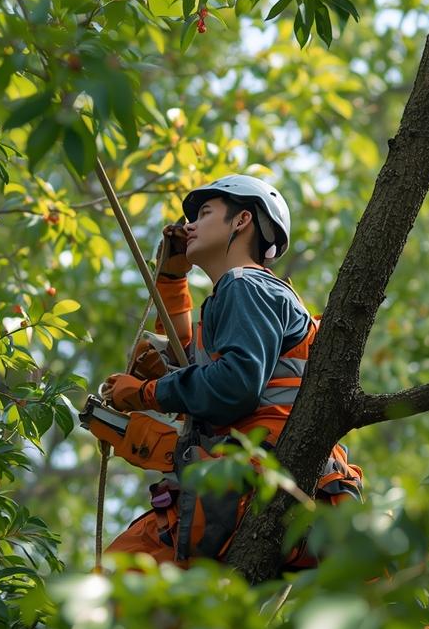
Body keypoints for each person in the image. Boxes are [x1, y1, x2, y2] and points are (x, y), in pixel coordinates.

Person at [100, 173, 361, 568]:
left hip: (254, 482)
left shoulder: (246, 285)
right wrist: (171, 280)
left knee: (118, 579)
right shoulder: (243, 295)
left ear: (241, 221)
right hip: (279, 495)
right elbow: (189, 360)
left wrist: (144, 393)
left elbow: (231, 386)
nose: (189, 225)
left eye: (204, 213)